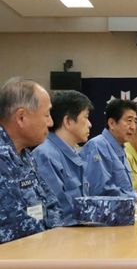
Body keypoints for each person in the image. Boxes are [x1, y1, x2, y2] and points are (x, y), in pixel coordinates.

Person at [0, 78, 61, 243]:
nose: (51, 122)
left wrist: (56, 239)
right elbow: (11, 227)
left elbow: (51, 204)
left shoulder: (25, 154)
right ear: (21, 117)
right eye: (47, 114)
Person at [33, 90, 94, 226]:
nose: (90, 124)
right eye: (86, 117)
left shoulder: (74, 153)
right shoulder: (46, 155)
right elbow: (58, 213)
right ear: (68, 121)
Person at [81, 99, 137, 201]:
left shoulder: (121, 148)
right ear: (112, 123)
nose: (133, 127)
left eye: (135, 122)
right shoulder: (97, 146)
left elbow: (123, 189)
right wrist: (136, 196)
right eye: (129, 121)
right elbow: (98, 192)